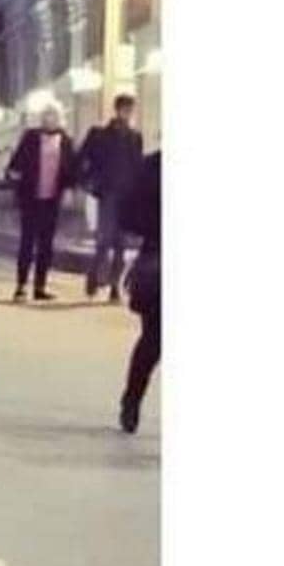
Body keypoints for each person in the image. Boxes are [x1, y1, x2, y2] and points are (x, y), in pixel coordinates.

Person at [5, 103, 78, 301]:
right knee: (27, 242)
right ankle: (21, 285)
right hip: (30, 197)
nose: (50, 118)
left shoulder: (66, 141)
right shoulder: (31, 136)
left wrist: (69, 190)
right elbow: (17, 162)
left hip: (52, 199)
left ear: (60, 118)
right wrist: (14, 176)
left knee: (46, 244)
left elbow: (71, 169)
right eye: (47, 115)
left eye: (54, 115)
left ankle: (40, 287)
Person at [77, 94, 144, 302]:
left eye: (130, 110)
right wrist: (87, 181)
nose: (127, 113)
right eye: (125, 109)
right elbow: (82, 158)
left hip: (127, 195)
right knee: (104, 240)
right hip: (107, 193)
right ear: (117, 110)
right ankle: (95, 275)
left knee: (121, 243)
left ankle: (114, 286)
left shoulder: (135, 137)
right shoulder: (99, 134)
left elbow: (138, 166)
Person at [118, 150, 161, 433]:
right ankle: (132, 399)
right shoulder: (155, 166)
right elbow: (129, 213)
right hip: (160, 257)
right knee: (154, 339)